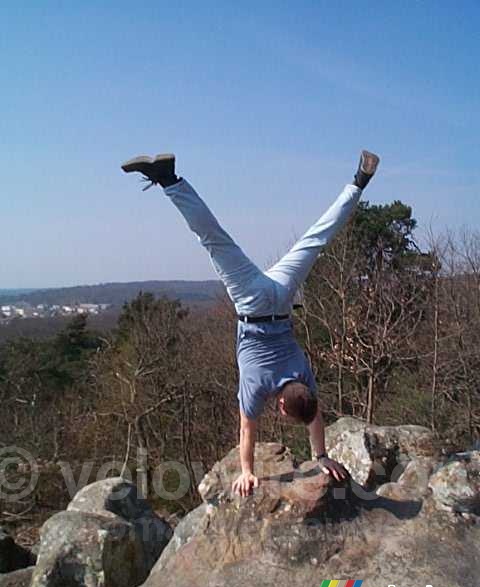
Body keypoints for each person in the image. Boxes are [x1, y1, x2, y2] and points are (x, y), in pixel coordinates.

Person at [121, 150, 380, 497]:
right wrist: (247, 472)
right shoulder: (258, 385)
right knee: (213, 239)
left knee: (318, 237)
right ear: (284, 405)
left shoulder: (304, 378)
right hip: (252, 302)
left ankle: (359, 181)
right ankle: (169, 179)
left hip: (282, 296)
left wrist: (322, 455)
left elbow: (314, 413)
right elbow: (247, 429)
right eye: (285, 412)